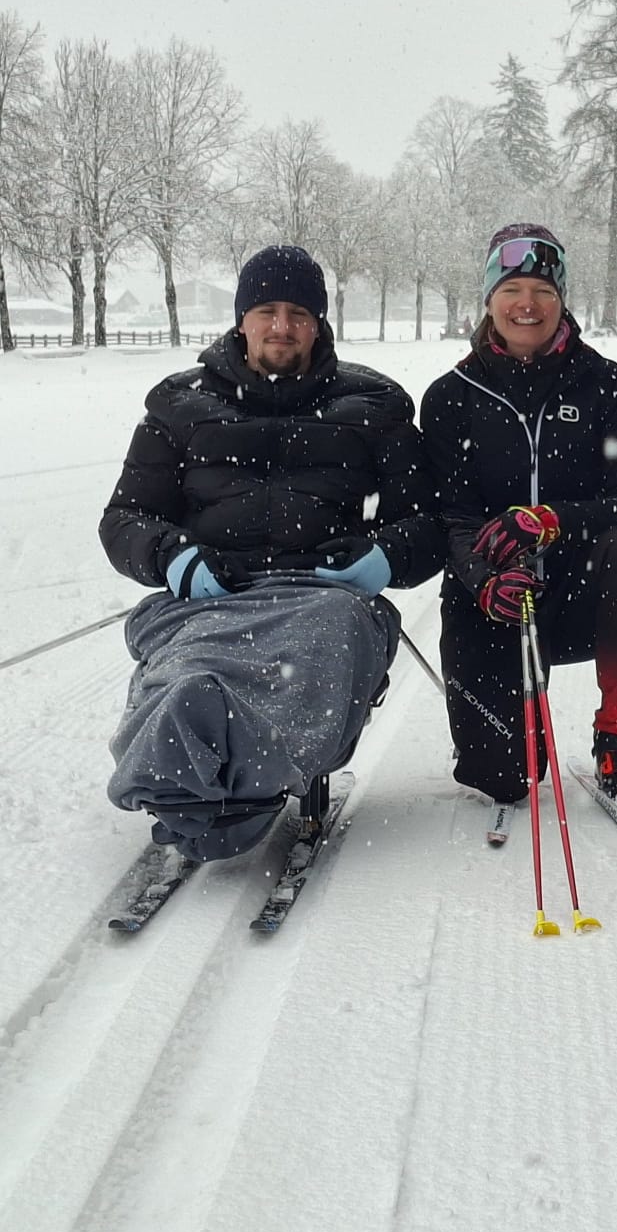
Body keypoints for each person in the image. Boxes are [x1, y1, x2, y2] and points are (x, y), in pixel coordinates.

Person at [99, 245, 443, 860]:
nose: (282, 327)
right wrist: (175, 557)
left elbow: (426, 521)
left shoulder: (376, 408)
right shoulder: (178, 407)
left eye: (297, 313)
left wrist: (384, 556)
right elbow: (124, 519)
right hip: (213, 595)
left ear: (319, 322)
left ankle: (242, 773)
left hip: (324, 596)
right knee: (190, 661)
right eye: (266, 310)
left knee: (323, 647)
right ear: (241, 319)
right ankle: (190, 739)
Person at [420, 224, 617, 805]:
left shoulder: (604, 383)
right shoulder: (450, 395)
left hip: (583, 597)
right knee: (503, 782)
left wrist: (550, 519)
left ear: (562, 300)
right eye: (510, 290)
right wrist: (482, 581)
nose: (526, 304)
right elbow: (449, 517)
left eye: (542, 290)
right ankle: (503, 735)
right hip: (496, 599)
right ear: (489, 299)